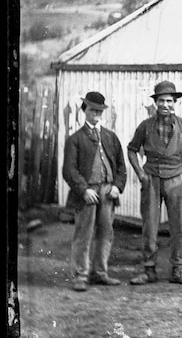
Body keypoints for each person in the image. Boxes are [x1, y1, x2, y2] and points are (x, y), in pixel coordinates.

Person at [127, 80, 182, 285]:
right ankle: (149, 270)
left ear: (175, 103)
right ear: (155, 102)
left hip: (177, 179)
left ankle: (178, 270)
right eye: (161, 100)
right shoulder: (145, 126)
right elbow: (132, 149)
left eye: (169, 101)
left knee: (178, 226)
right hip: (151, 180)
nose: (165, 105)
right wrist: (140, 173)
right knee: (150, 226)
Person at [62, 91, 127, 291]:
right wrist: (83, 190)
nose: (96, 114)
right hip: (87, 193)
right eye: (92, 110)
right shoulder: (75, 139)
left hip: (108, 192)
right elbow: (69, 170)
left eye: (99, 111)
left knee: (106, 233)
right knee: (83, 233)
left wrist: (117, 186)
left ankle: (100, 273)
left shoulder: (110, 137)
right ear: (85, 110)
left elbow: (121, 167)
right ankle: (81, 275)